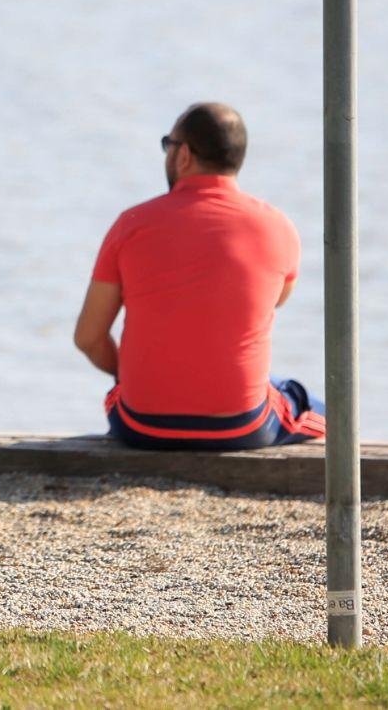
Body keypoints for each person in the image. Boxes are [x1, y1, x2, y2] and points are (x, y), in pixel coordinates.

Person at [73, 102, 325, 450]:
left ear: (184, 155)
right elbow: (275, 300)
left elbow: (88, 337)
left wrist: (127, 374)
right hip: (240, 427)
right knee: (318, 409)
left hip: (141, 425)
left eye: (169, 145)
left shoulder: (130, 225)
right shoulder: (277, 226)